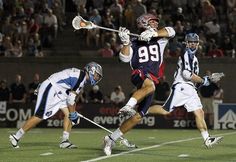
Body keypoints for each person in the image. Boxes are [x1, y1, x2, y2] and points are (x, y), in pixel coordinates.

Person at [103, 13, 175, 156]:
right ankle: (128, 105)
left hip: (152, 78)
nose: (155, 24)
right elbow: (124, 58)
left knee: (138, 116)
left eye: (155, 23)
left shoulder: (159, 38)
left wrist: (153, 33)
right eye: (152, 22)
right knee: (151, 87)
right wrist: (125, 42)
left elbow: (171, 31)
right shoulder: (134, 42)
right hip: (140, 73)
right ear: (143, 23)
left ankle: (110, 139)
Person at [148, 33, 223, 148]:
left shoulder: (194, 58)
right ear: (187, 43)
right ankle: (143, 111)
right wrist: (204, 80)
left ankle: (207, 139)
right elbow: (186, 74)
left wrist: (206, 80)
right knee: (165, 110)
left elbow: (193, 80)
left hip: (190, 89)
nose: (193, 44)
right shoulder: (186, 54)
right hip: (182, 86)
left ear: (198, 44)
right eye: (190, 42)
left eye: (195, 42)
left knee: (199, 112)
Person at [9, 62, 103, 149]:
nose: (97, 78)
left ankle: (64, 141)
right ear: (91, 71)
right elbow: (70, 100)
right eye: (97, 75)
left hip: (60, 93)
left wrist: (73, 113)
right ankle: (16, 137)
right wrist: (73, 113)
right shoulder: (80, 78)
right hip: (52, 88)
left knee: (69, 115)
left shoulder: (81, 76)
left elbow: (71, 99)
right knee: (40, 116)